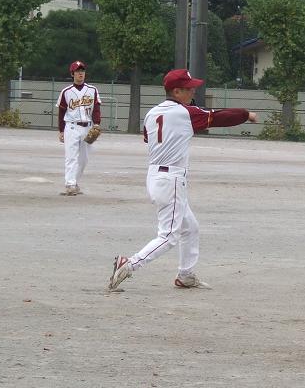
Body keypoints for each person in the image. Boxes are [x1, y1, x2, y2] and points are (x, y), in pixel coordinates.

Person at [108, 68, 257, 291]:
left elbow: (148, 138)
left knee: (190, 228)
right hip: (172, 180)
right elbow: (219, 117)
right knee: (169, 236)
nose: (193, 91)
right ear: (176, 91)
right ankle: (129, 264)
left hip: (155, 176)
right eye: (189, 88)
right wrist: (246, 114)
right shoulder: (183, 112)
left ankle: (185, 275)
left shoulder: (152, 113)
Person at [57, 60, 101, 196]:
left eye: (82, 71)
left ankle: (74, 182)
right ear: (72, 74)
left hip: (87, 127)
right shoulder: (66, 92)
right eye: (77, 71)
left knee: (84, 159)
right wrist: (61, 130)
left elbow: (96, 109)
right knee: (71, 157)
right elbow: (61, 112)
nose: (80, 73)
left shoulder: (92, 90)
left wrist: (97, 123)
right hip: (71, 127)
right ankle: (70, 184)